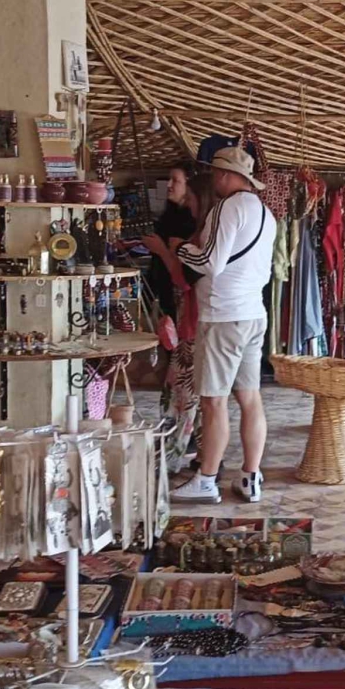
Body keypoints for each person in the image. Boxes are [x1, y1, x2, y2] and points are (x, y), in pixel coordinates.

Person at [169, 147, 276, 503]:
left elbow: (210, 262)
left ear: (227, 175)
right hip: (253, 313)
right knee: (249, 397)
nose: (213, 179)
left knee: (213, 401)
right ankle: (250, 477)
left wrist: (180, 248)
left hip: (223, 315)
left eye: (216, 173)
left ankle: (206, 479)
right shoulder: (265, 213)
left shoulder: (227, 208)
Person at [158, 170, 213, 471]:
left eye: (190, 196)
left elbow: (185, 280)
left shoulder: (199, 237)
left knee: (181, 393)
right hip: (192, 320)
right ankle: (202, 456)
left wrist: (168, 251)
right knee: (197, 396)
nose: (188, 202)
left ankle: (173, 455)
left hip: (193, 322)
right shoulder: (206, 234)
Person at [143, 162, 198, 319]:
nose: (168, 185)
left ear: (189, 185)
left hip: (182, 293)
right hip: (164, 289)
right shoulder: (169, 215)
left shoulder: (194, 221)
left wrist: (160, 248)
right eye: (169, 180)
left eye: (175, 181)